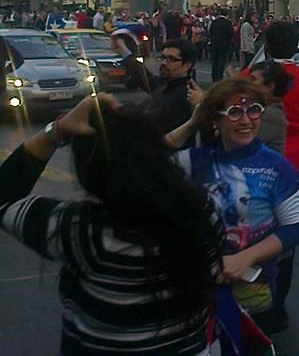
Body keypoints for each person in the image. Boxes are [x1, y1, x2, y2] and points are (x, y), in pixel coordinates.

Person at [0, 94, 223, 354]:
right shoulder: (202, 209)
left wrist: (57, 130)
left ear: (89, 172)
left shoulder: (83, 232)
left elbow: (4, 194)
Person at [167, 79, 299, 335]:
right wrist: (191, 124)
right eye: (234, 112)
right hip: (198, 294)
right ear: (214, 121)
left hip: (253, 299)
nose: (246, 121)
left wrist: (245, 258)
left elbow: (295, 228)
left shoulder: (277, 167)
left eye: (253, 110)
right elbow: (145, 162)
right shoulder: (197, 161)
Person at [258, 20, 299, 329]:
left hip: (264, 163)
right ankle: (279, 305)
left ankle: (259, 302)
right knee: (288, 238)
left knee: (258, 234)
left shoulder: (253, 77)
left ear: (267, 47)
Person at [249, 60, 292, 154]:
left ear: (268, 87)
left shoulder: (269, 116)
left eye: (253, 79)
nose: (247, 83)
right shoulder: (262, 108)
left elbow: (239, 145)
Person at [209, 9, 235, 82]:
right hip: (224, 44)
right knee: (221, 61)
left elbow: (210, 31)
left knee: (215, 61)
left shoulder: (214, 22)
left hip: (214, 44)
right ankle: (219, 76)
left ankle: (214, 76)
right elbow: (231, 34)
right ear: (226, 15)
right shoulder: (227, 23)